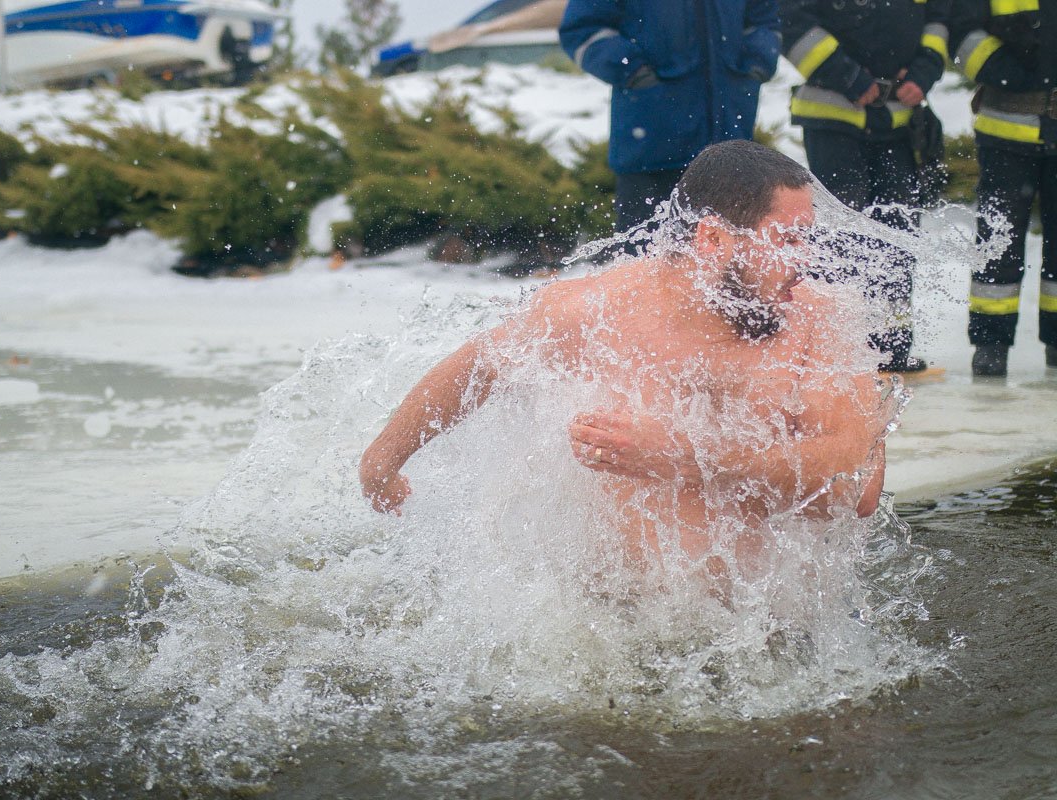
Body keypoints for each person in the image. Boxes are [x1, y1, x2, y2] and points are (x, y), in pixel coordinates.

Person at [359, 141, 890, 571]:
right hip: (617, 627)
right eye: (788, 241)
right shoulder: (600, 310)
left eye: (809, 240)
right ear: (711, 239)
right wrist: (381, 463)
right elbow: (476, 369)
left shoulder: (817, 323)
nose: (809, 261)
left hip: (765, 634)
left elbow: (856, 490)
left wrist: (691, 458)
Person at [779, 0, 952, 373]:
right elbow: (790, 19)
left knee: (898, 235)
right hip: (833, 114)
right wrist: (847, 76)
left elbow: (940, 20)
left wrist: (924, 72)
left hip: (900, 122)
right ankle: (830, 348)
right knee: (836, 237)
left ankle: (891, 348)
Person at [558, 0, 781, 234]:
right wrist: (633, 71)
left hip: (728, 148)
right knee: (645, 259)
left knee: (725, 260)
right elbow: (582, 29)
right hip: (652, 150)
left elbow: (765, 20)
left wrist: (759, 62)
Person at [952, 0, 1057, 377]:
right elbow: (960, 30)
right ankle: (990, 344)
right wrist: (1004, 70)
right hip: (1005, 131)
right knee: (998, 242)